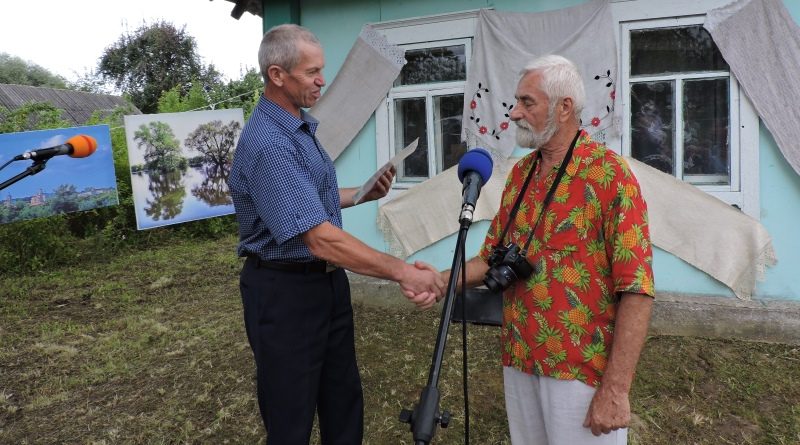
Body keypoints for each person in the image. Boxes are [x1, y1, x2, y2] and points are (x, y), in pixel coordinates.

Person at [227, 24, 445, 444]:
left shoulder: (300, 128)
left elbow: (304, 200)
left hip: (325, 285)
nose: (322, 81)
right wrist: (402, 271)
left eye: (321, 70)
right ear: (277, 75)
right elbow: (318, 237)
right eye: (311, 72)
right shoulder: (270, 142)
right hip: (284, 294)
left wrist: (361, 194)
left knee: (342, 400)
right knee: (291, 417)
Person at [441, 55, 655, 444]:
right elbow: (490, 257)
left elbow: (637, 288)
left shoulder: (610, 175)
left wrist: (616, 389)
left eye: (527, 102)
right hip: (520, 358)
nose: (514, 112)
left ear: (564, 107)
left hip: (581, 371)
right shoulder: (520, 175)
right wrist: (440, 281)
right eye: (515, 102)